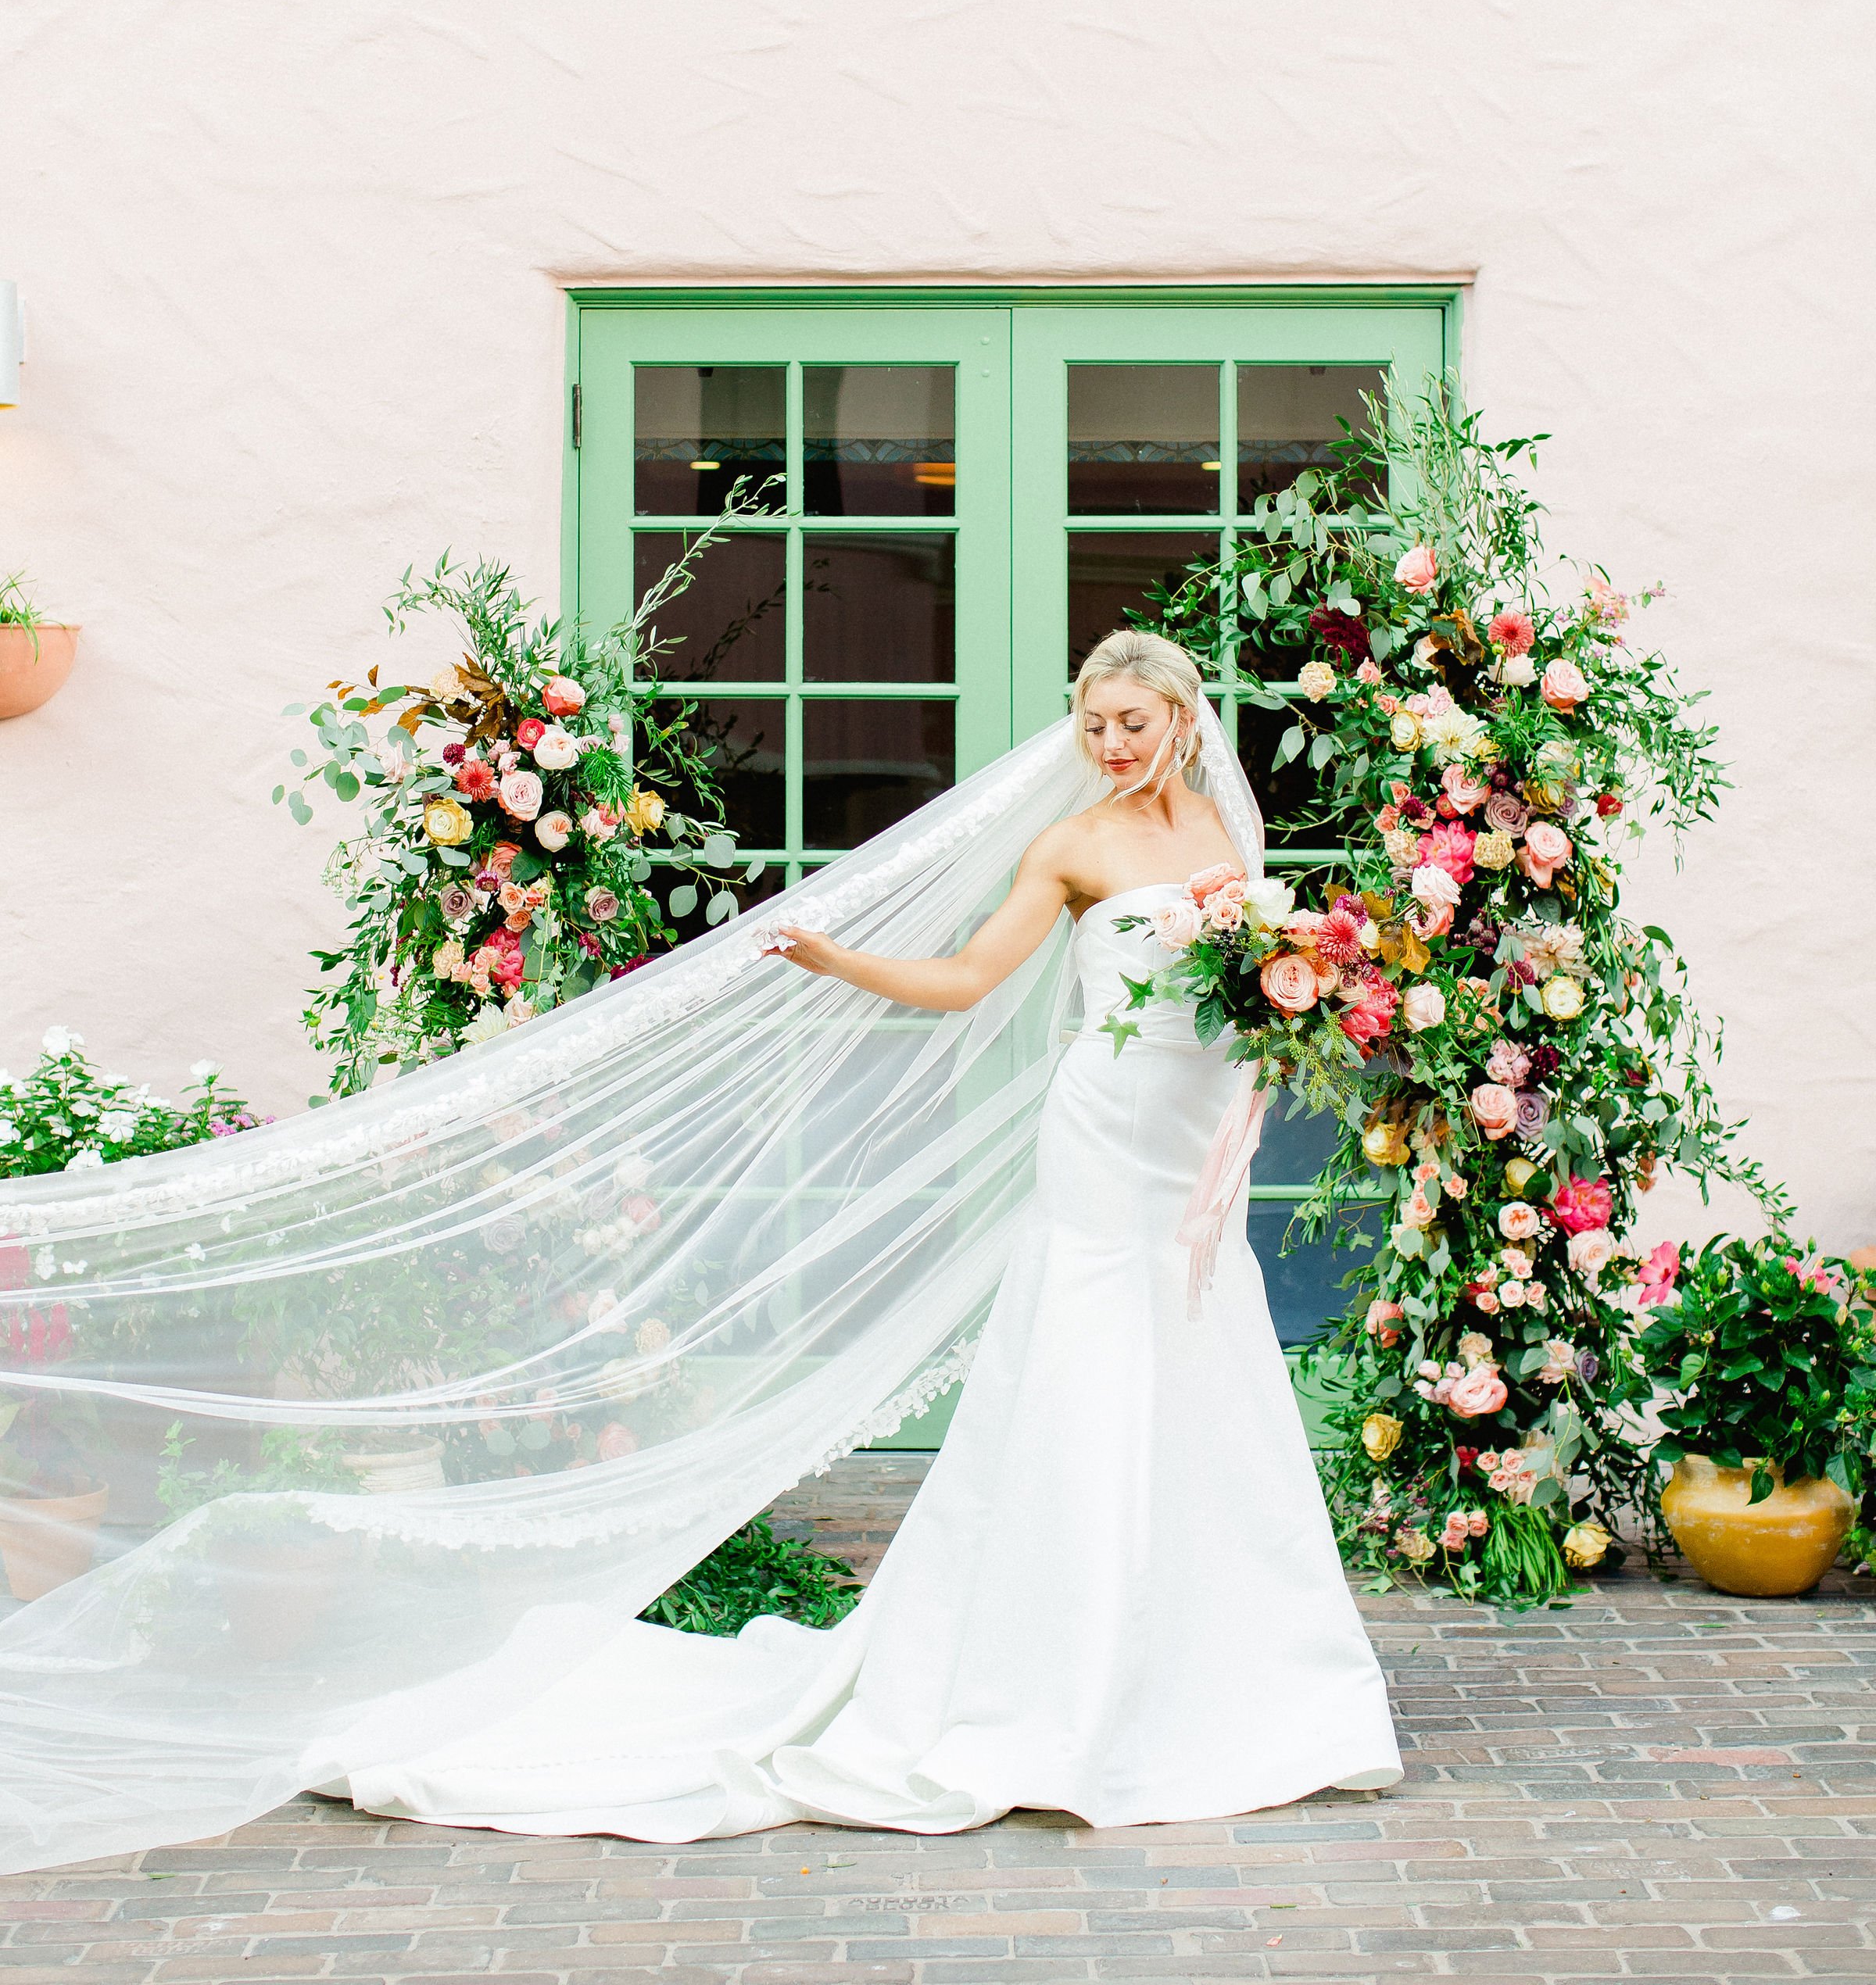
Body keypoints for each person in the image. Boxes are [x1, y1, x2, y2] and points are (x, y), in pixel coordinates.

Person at [0, 631, 1397, 1870]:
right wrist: (840, 962)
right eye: (1091, 725)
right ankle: (1068, 1677)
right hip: (1102, 1141)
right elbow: (974, 980)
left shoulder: (1228, 834)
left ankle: (1210, 1663)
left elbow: (1257, 996)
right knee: (1095, 1371)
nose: (1107, 746)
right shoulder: (1072, 844)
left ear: (1180, 718)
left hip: (1196, 1143)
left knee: (1198, 1365)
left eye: (1129, 726)